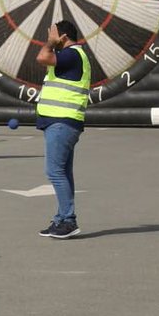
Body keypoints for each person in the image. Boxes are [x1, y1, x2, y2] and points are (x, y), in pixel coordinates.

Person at [35, 19, 91, 239]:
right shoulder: (74, 56)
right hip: (64, 122)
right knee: (63, 172)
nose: (49, 36)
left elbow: (41, 57)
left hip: (62, 122)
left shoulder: (71, 54)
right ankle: (61, 219)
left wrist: (50, 43)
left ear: (63, 37)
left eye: (53, 33)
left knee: (54, 172)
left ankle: (68, 220)